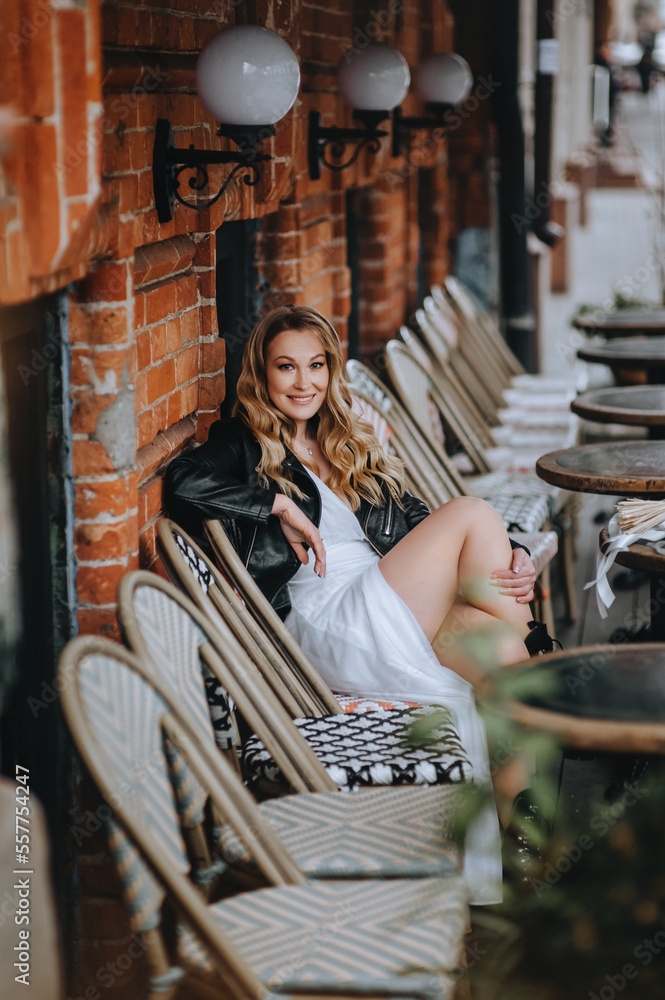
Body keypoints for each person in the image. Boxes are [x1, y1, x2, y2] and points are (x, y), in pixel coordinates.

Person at [165, 305, 551, 904]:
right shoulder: (241, 442)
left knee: (502, 650)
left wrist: (518, 555)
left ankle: (517, 829)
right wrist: (277, 505)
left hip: (385, 596)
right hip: (326, 616)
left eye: (316, 366)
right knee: (474, 512)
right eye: (285, 367)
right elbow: (183, 482)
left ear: (331, 370)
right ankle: (557, 676)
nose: (303, 383)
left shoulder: (342, 441)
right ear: (261, 375)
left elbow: (418, 522)